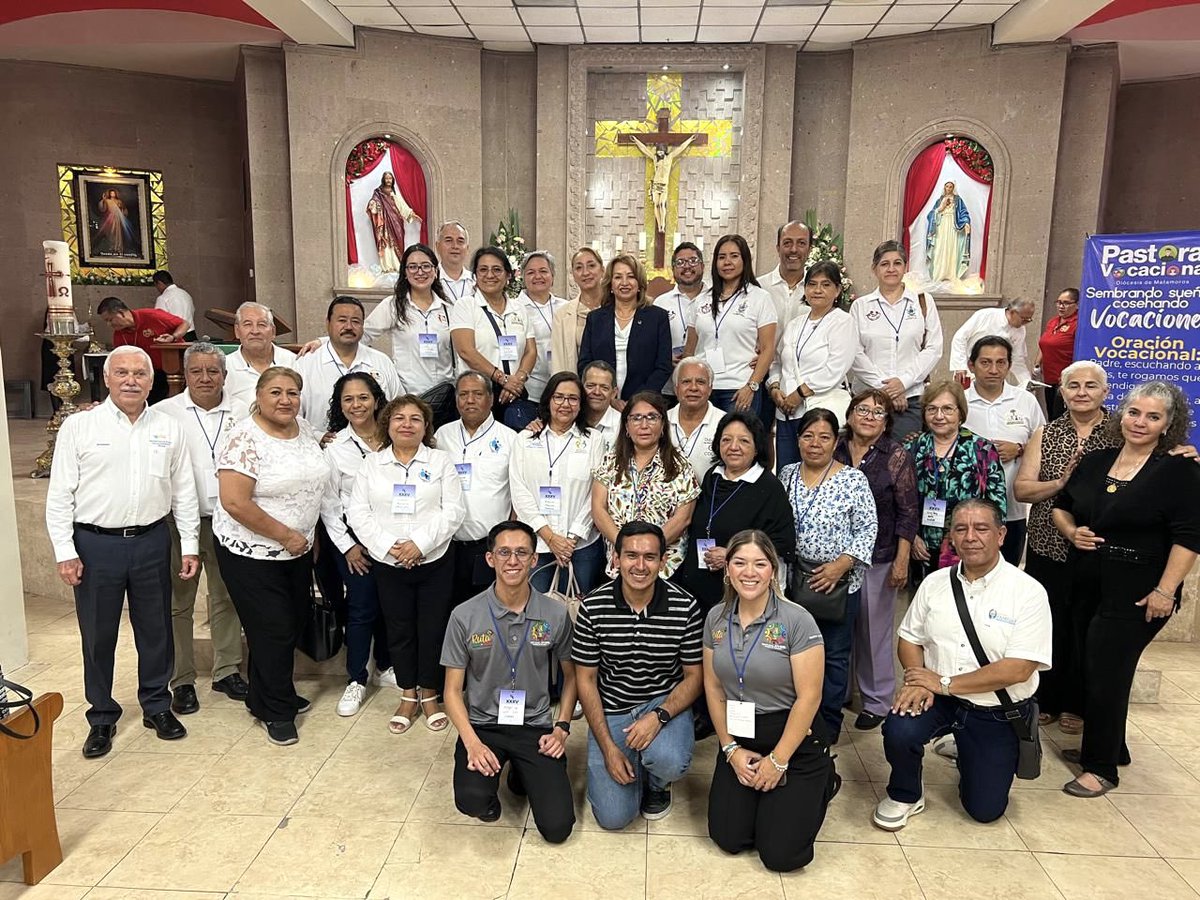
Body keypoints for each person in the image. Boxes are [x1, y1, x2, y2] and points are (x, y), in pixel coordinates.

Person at [46, 346, 199, 758]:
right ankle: (101, 716)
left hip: (151, 540)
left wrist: (190, 544)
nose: (131, 380)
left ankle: (156, 705)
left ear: (151, 381)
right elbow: (59, 494)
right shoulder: (80, 427)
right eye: (122, 372)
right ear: (108, 379)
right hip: (96, 545)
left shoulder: (169, 427)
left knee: (156, 630)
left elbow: (184, 490)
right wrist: (65, 550)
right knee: (98, 635)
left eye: (139, 373)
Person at [1052, 381, 1200, 797]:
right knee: (1088, 664)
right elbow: (1062, 505)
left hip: (1138, 590)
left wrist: (1166, 591)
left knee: (1108, 672)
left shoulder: (1179, 470)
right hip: (1085, 580)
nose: (1140, 422)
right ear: (1122, 415)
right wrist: (1072, 531)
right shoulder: (1097, 460)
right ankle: (1111, 748)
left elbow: (1189, 537)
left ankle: (1100, 768)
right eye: (1134, 412)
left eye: (1153, 416)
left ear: (1169, 424)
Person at [873, 499, 1051, 830]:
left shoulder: (1028, 593)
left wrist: (941, 682)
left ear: (1001, 535)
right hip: (940, 699)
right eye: (961, 529)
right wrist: (915, 683)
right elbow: (910, 638)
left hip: (994, 709)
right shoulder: (935, 584)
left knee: (984, 811)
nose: (970, 537)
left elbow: (1018, 669)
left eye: (981, 528)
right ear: (951, 537)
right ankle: (906, 794)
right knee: (899, 727)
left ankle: (965, 747)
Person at [703, 529, 838, 872]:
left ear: (773, 570)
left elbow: (810, 697)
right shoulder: (716, 619)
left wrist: (778, 761)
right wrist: (729, 749)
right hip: (741, 733)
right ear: (727, 570)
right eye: (740, 563)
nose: (750, 572)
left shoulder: (796, 620)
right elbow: (714, 688)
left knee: (779, 855)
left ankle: (822, 779)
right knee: (729, 838)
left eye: (760, 564)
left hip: (793, 737)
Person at [213, 366, 332, 746]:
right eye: (276, 392)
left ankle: (261, 695)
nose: (285, 400)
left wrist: (306, 537)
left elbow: (313, 485)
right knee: (273, 629)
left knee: (291, 623)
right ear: (259, 396)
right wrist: (286, 535)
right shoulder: (243, 439)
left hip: (297, 549)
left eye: (293, 393)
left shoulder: (305, 431)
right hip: (251, 551)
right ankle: (277, 710)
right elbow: (234, 501)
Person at [441, 520, 576, 843]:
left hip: (534, 726)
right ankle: (490, 792)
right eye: (504, 552)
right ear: (490, 559)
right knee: (471, 798)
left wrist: (561, 727)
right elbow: (450, 692)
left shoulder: (555, 614)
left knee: (557, 828)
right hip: (484, 725)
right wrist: (472, 743)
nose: (512, 561)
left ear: (534, 560)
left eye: (521, 553)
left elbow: (572, 678)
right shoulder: (465, 615)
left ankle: (520, 774)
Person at [346, 395, 464, 734]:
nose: (407, 424)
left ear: (426, 426)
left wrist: (419, 545)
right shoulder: (372, 464)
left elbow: (453, 510)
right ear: (388, 424)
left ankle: (430, 694)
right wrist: (390, 547)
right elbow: (359, 512)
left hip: (434, 560)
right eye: (399, 418)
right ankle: (408, 693)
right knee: (398, 629)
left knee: (432, 629)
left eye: (415, 419)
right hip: (389, 562)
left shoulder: (440, 461)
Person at [573, 522, 704, 828]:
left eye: (649, 556)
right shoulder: (592, 607)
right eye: (631, 555)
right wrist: (608, 748)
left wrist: (659, 716)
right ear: (616, 558)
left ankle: (658, 782)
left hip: (662, 702)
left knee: (670, 760)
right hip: (614, 706)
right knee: (613, 818)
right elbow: (586, 681)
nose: (640, 566)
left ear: (663, 559)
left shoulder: (685, 606)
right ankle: (635, 759)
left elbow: (694, 677)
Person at [1015, 360, 1113, 733]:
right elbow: (1022, 489)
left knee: (1087, 624)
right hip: (1048, 541)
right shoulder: (1047, 432)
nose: (1082, 392)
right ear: (1062, 391)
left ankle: (1079, 702)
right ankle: (1050, 698)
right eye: (1074, 386)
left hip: (1099, 543)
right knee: (1050, 622)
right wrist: (1060, 483)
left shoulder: (1122, 430)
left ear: (1105, 392)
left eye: (1091, 386)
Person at [151, 342, 248, 716]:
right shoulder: (163, 414)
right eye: (197, 371)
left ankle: (226, 670)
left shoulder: (244, 412)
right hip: (179, 523)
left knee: (226, 598)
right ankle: (183, 679)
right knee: (179, 603)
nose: (205, 378)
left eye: (213, 371)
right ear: (185, 375)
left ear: (225, 374)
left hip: (230, 520)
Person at [780, 408, 877, 742]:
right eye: (808, 436)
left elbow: (867, 529)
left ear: (836, 440)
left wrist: (840, 566)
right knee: (794, 653)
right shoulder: (787, 473)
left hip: (837, 582)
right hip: (796, 580)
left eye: (824, 437)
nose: (815, 444)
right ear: (798, 440)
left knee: (833, 656)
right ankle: (796, 721)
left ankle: (826, 725)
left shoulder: (853, 479)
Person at [834, 390, 919, 731]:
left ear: (887, 421)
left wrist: (902, 560)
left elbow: (908, 512)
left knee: (873, 632)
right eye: (863, 410)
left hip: (879, 557)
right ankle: (838, 693)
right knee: (838, 629)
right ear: (850, 414)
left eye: (878, 412)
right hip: (834, 558)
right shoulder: (833, 447)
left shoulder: (895, 456)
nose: (869, 416)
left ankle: (877, 700)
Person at [320, 373, 395, 717]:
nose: (356, 405)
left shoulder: (395, 437)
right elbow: (330, 504)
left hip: (394, 537)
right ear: (340, 405)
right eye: (348, 399)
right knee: (362, 605)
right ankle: (356, 679)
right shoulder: (335, 450)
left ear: (376, 399)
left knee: (389, 602)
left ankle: (387, 663)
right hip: (354, 541)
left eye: (363, 398)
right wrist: (348, 546)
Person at [674, 412, 796, 613]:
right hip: (700, 587)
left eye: (744, 441)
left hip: (743, 592)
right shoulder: (712, 476)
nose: (733, 447)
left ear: (757, 447)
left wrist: (732, 555)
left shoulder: (769, 487)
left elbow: (783, 543)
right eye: (726, 440)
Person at [510, 371, 607, 595]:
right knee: (539, 619)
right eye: (559, 397)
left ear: (581, 404)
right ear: (548, 400)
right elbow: (519, 491)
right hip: (537, 543)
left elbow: (597, 493)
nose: (565, 404)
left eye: (573, 398)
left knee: (578, 612)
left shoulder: (594, 440)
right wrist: (550, 537)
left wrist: (571, 538)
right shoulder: (524, 440)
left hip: (581, 546)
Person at [591, 392, 700, 579]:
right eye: (636, 418)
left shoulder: (680, 466)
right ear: (626, 426)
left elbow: (683, 518)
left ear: (663, 424)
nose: (644, 425)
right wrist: (626, 550)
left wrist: (648, 551)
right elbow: (598, 509)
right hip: (619, 564)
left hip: (664, 566)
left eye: (652, 417)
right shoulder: (610, 462)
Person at [434, 372, 520, 608]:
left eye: (477, 394)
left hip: (490, 547)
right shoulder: (441, 435)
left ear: (491, 399)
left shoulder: (510, 438)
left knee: (490, 612)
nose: (470, 400)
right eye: (463, 394)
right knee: (450, 612)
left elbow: (518, 493)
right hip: (447, 547)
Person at [906, 379, 1006, 579]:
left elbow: (997, 505)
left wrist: (980, 539)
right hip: (921, 548)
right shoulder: (911, 449)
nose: (939, 416)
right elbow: (901, 503)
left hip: (971, 545)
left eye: (948, 409)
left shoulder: (982, 450)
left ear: (960, 413)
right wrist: (911, 538)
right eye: (932, 409)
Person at [849, 241, 943, 440]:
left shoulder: (922, 301)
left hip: (910, 400)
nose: (891, 269)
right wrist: (887, 390)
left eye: (897, 263)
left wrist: (903, 382)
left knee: (903, 462)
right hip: (868, 400)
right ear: (874, 268)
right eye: (884, 264)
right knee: (867, 460)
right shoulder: (860, 306)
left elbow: (934, 348)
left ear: (905, 267)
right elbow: (855, 353)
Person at [768, 261, 857, 469]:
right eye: (812, 284)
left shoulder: (842, 322)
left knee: (818, 473)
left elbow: (834, 369)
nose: (817, 290)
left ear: (837, 290)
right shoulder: (796, 324)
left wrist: (798, 394)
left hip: (819, 411)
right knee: (787, 473)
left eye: (826, 285)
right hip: (786, 413)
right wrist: (774, 388)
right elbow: (778, 361)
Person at [965, 336, 1045, 564]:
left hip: (1013, 510)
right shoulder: (960, 402)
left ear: (1009, 365)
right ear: (971, 365)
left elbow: (1044, 444)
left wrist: (1020, 449)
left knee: (1007, 578)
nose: (993, 369)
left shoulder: (1025, 401)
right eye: (985, 362)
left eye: (1001, 362)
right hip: (968, 510)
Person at [684, 234, 777, 416]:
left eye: (734, 256)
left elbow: (768, 349)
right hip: (704, 389)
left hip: (739, 387)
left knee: (737, 442)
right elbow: (690, 350)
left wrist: (751, 386)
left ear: (745, 260)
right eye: (722, 257)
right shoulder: (701, 300)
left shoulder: (759, 298)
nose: (727, 262)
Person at [450, 246, 538, 429]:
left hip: (514, 393)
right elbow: (466, 351)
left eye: (497, 269)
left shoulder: (519, 309)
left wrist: (517, 381)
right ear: (475, 275)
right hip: (479, 394)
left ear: (508, 275)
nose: (490, 275)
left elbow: (530, 351)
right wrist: (502, 379)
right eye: (483, 270)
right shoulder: (466, 306)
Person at [294, 296, 403, 432]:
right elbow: (293, 414)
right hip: (321, 446)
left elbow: (399, 408)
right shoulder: (305, 364)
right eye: (342, 320)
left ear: (363, 326)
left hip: (377, 447)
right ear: (328, 324)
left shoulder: (381, 361)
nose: (349, 327)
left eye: (356, 321)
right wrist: (317, 436)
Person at [578, 253, 672, 407]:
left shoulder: (657, 317)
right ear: (610, 284)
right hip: (601, 403)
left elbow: (663, 366)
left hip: (644, 404)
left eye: (630, 276)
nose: (624, 282)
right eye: (618, 277)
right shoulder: (595, 319)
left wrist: (637, 400)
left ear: (639, 283)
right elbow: (585, 364)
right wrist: (608, 398)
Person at [361, 243, 455, 395]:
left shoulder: (449, 308)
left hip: (445, 396)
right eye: (412, 267)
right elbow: (361, 334)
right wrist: (323, 342)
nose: (420, 272)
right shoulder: (393, 306)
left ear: (435, 270)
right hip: (408, 396)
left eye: (426, 266)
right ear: (405, 272)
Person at [98, 296, 189, 404]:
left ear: (121, 313)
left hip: (174, 369)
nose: (109, 325)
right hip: (149, 375)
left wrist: (173, 337)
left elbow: (184, 324)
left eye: (110, 319)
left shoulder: (151, 315)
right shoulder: (119, 335)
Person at [653, 242, 708, 402]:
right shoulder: (660, 303)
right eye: (680, 262)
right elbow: (650, 344)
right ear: (673, 269)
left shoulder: (715, 299)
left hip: (705, 385)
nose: (687, 266)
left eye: (693, 261)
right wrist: (664, 357)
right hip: (669, 385)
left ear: (703, 266)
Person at [517, 251, 568, 415]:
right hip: (530, 390)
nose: (537, 276)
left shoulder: (566, 307)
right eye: (531, 272)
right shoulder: (514, 308)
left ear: (552, 275)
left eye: (543, 271)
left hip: (563, 389)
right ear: (523, 277)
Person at [223, 302, 298, 410]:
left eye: (262, 324)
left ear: (273, 331)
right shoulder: (224, 367)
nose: (255, 331)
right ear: (237, 331)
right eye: (248, 324)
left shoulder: (294, 362)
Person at [949, 297, 1036, 389]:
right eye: (1024, 319)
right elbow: (960, 338)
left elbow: (1017, 359)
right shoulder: (986, 315)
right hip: (970, 369)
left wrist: (1026, 381)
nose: (1025, 323)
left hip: (995, 374)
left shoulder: (1020, 331)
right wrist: (960, 366)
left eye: (1029, 320)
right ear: (1012, 312)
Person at [666, 357, 724, 479]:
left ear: (710, 388)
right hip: (665, 496)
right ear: (676, 388)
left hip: (712, 496)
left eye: (700, 382)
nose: (693, 388)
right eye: (686, 382)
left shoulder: (726, 423)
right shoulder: (661, 422)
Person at [551, 247, 605, 377]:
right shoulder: (562, 314)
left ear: (602, 270)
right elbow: (558, 361)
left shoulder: (617, 308)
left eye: (591, 265)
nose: (585, 272)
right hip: (576, 385)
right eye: (579, 268)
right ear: (573, 275)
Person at [630, 133, 698, 232]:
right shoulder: (654, 158)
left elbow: (680, 148)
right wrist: (636, 141)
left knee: (662, 204)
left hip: (664, 185)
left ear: (664, 151)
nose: (660, 153)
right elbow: (645, 149)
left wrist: (689, 140)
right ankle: (659, 226)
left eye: (661, 151)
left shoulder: (669, 157)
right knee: (656, 204)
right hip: (656, 185)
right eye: (658, 152)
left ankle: (663, 224)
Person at [1035, 289, 1080, 420]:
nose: (1061, 306)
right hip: (1049, 377)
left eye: (1066, 303)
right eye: (1059, 302)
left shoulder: (1078, 323)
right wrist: (1037, 363)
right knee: (1050, 413)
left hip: (1065, 379)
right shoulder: (1053, 322)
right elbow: (1045, 344)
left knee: (1059, 416)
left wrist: (1070, 375)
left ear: (1076, 305)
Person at [758, 221, 812, 327]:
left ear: (809, 250)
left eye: (801, 243)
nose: (794, 249)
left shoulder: (816, 290)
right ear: (778, 248)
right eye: (787, 243)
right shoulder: (759, 287)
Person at [366, 170, 420, 273]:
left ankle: (397, 265)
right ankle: (387, 266)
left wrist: (411, 214)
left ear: (393, 180)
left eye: (390, 178)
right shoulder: (378, 192)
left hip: (396, 221)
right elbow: (374, 201)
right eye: (386, 178)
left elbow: (402, 205)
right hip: (385, 223)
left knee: (398, 241)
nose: (388, 180)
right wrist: (373, 204)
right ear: (383, 179)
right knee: (386, 243)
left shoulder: (394, 193)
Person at [925, 181, 971, 284]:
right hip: (941, 226)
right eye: (947, 186)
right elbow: (930, 215)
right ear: (944, 187)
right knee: (939, 249)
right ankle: (938, 274)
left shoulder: (958, 200)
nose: (949, 188)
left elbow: (964, 213)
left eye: (951, 187)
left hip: (952, 227)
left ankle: (951, 274)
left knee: (951, 248)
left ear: (953, 188)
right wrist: (939, 209)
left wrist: (966, 223)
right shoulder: (939, 200)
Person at [580, 361, 622, 450]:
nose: (597, 392)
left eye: (604, 388)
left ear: (614, 393)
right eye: (591, 386)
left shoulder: (622, 425)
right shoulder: (571, 419)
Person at [435, 220, 475, 302]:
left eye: (460, 241)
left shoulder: (476, 281)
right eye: (449, 240)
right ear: (437, 246)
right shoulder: (430, 280)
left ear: (467, 248)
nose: (455, 246)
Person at [153, 270, 196, 340]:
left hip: (175, 336)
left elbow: (159, 320)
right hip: (191, 335)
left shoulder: (163, 298)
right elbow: (192, 311)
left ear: (159, 283)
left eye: (156, 286)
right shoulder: (186, 294)